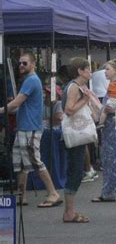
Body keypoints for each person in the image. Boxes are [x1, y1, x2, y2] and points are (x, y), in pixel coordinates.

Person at [0, 52, 61, 208]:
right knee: (21, 164)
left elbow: (15, 104)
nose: (21, 65)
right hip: (24, 127)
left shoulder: (31, 80)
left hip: (30, 128)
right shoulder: (29, 80)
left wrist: (2, 109)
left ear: (33, 64)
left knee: (35, 161)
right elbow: (17, 105)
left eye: (24, 63)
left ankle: (53, 193)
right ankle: (22, 195)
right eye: (20, 63)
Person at [62, 57, 99, 223]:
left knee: (76, 170)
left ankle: (70, 210)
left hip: (78, 134)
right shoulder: (75, 88)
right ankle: (69, 212)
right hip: (75, 135)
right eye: (88, 69)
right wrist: (85, 100)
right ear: (80, 71)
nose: (90, 72)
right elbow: (69, 109)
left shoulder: (77, 87)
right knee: (75, 171)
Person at [92, 59, 116, 203]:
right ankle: (112, 189)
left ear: (115, 70)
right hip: (111, 126)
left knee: (111, 159)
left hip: (113, 127)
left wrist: (105, 111)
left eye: (107, 69)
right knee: (111, 159)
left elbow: (115, 106)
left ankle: (110, 190)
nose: (105, 72)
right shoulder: (115, 85)